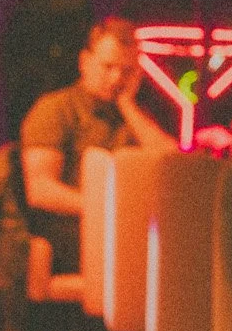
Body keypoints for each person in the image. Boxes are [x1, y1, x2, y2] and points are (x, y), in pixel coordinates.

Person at [20, 17, 174, 275]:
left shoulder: (133, 117)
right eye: (108, 67)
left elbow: (173, 165)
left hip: (125, 242)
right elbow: (40, 189)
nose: (116, 79)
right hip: (68, 240)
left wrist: (128, 106)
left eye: (127, 71)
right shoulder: (56, 109)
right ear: (85, 62)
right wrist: (106, 208)